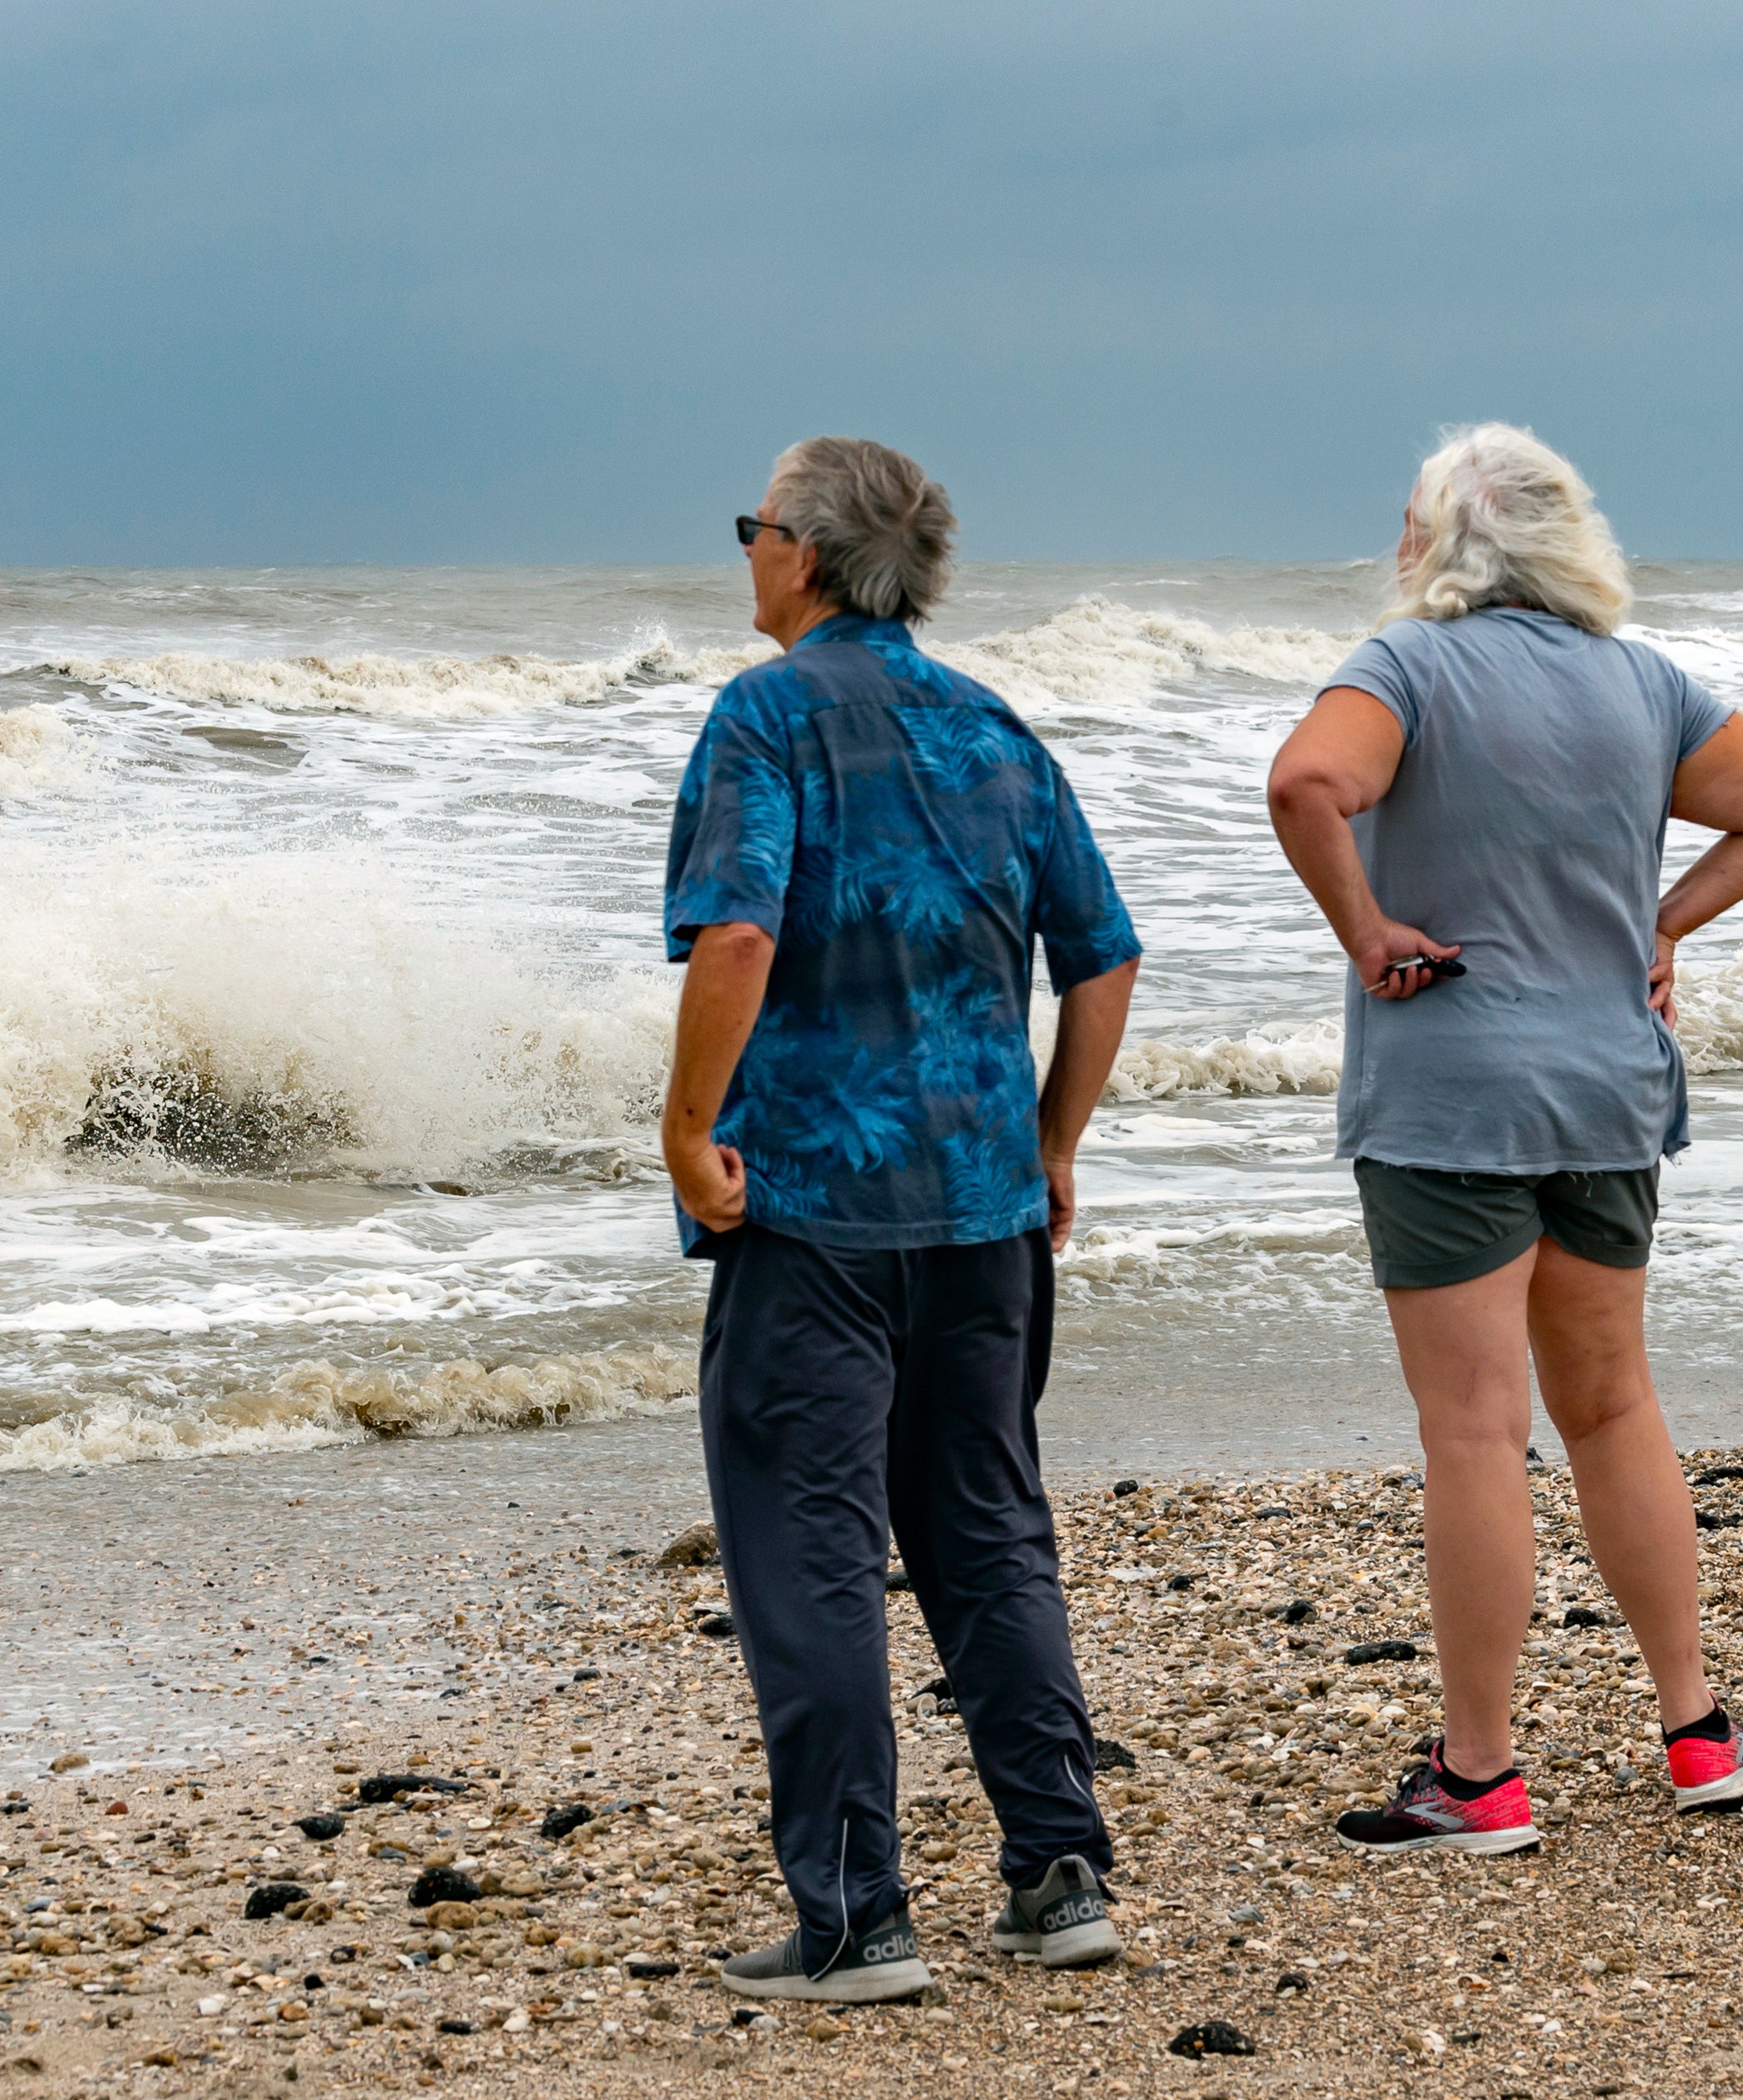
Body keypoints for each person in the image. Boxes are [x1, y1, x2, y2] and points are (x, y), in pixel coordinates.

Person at [1264, 424, 1743, 1856]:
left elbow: (1303, 784)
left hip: (1453, 1092)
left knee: (1474, 1429)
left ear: (1431, 541)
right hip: (1605, 1087)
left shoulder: (1405, 667)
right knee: (1611, 1404)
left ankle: (1479, 1778)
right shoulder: (1638, 682)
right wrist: (1657, 924)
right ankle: (1697, 1730)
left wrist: (1365, 931)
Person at [662, 436, 1143, 2001]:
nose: (745, 552)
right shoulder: (990, 725)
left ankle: (857, 1911)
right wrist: (1053, 1135)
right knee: (987, 1527)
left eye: (753, 527)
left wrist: (686, 1127)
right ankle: (1058, 1867)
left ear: (801, 552)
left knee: (807, 1546)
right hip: (982, 1204)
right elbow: (1104, 953)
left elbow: (735, 930)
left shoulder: (766, 715)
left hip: (812, 1200)